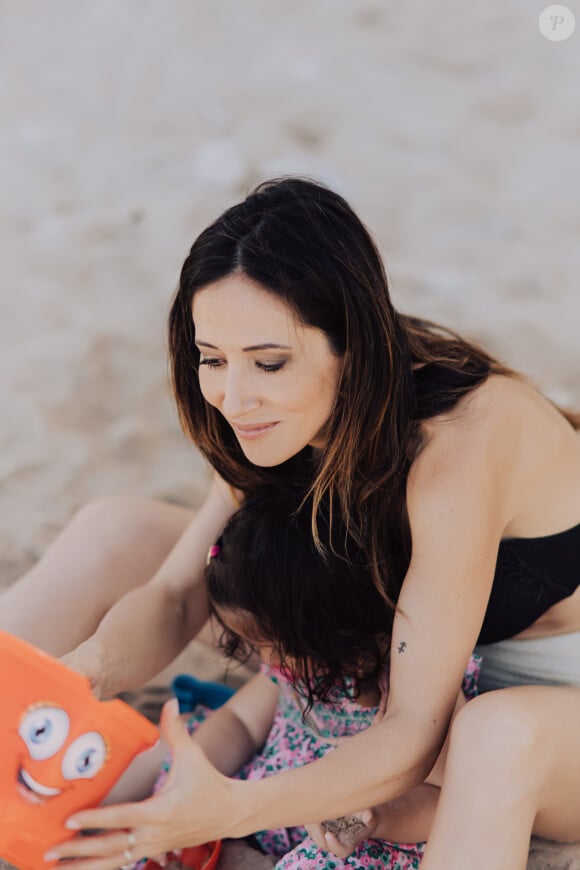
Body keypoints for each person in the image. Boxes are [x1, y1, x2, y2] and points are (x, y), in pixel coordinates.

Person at [1, 176, 579, 869]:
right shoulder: (276, 410)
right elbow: (179, 597)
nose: (234, 397)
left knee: (495, 733)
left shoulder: (459, 443)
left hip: (536, 706)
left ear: (351, 346)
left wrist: (230, 808)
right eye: (211, 359)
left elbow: (412, 734)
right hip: (376, 650)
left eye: (268, 362)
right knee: (113, 533)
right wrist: (80, 674)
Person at [117, 486, 479, 869]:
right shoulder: (293, 669)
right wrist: (187, 784)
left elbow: (446, 798)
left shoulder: (413, 682)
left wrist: (380, 818)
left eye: (273, 645)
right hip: (266, 808)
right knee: (179, 752)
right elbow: (238, 724)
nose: (265, 659)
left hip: (354, 829)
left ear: (329, 628)